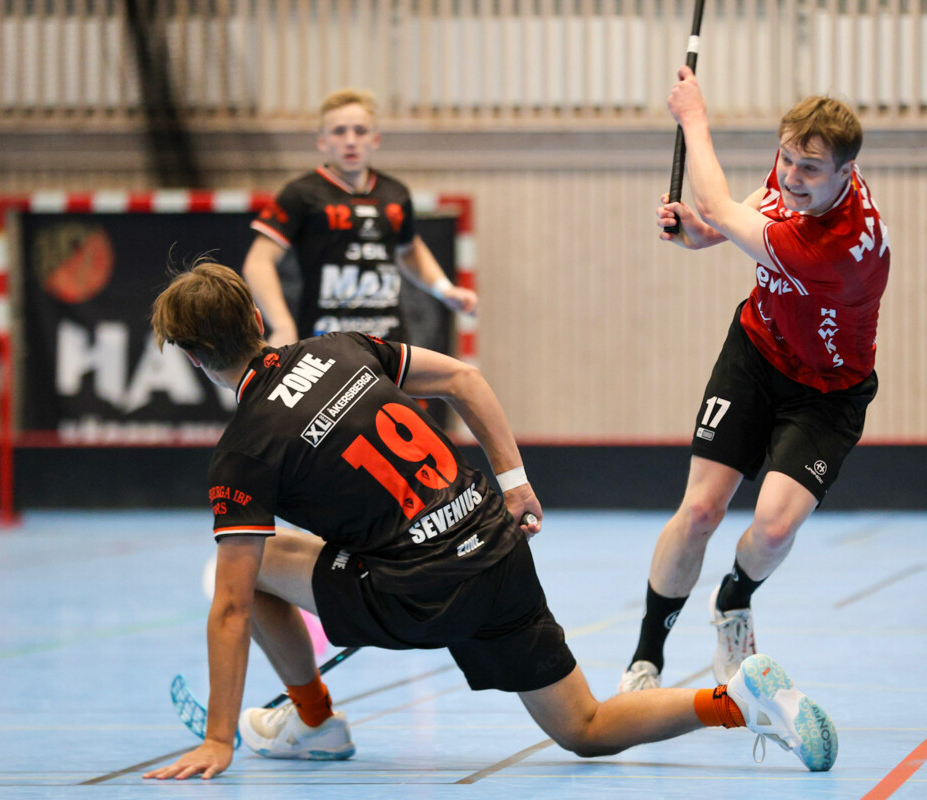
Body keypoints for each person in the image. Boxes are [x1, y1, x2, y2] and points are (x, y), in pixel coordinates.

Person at [140, 261, 837, 780]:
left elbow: (231, 607)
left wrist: (221, 739)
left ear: (195, 358)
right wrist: (514, 483)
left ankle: (315, 720)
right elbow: (463, 380)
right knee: (585, 726)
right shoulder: (340, 348)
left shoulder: (243, 453)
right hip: (495, 546)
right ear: (257, 317)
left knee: (252, 565)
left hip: (420, 591)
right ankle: (735, 700)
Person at [619, 68, 889, 694]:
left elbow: (724, 208)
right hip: (757, 353)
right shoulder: (802, 182)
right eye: (786, 158)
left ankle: (734, 600)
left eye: (810, 169)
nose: (792, 176)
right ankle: (646, 659)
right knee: (700, 510)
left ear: (847, 174)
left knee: (772, 528)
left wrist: (694, 117)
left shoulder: (837, 249)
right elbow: (739, 213)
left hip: (828, 393)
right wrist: (700, 232)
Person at [243, 88, 476, 348]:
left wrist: (445, 290)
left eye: (360, 131)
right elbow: (258, 263)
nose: (351, 141)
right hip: (325, 341)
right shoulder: (301, 193)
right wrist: (283, 325)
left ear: (375, 139)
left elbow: (409, 250)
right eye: (339, 131)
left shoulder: (395, 193)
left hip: (389, 342)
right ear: (322, 141)